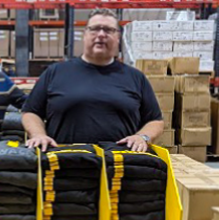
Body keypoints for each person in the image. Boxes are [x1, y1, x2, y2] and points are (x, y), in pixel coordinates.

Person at [22, 8, 164, 152]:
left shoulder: (136, 77)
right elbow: (31, 112)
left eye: (109, 30)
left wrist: (143, 137)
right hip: (63, 162)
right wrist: (38, 134)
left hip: (119, 165)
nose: (101, 34)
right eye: (95, 29)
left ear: (118, 37)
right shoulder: (55, 72)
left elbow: (155, 120)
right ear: (85, 35)